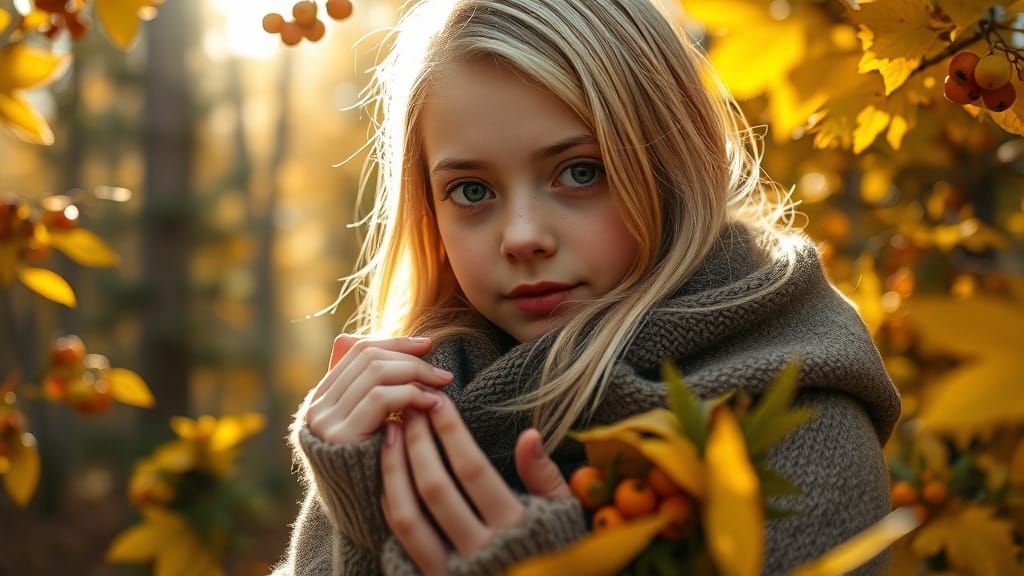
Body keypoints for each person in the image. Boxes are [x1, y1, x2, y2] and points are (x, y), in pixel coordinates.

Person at [272, 0, 901, 574]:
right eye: (471, 190)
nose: (521, 236)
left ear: (672, 164)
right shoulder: (407, 411)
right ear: (428, 211)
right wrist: (361, 517)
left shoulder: (798, 420)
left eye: (580, 171)